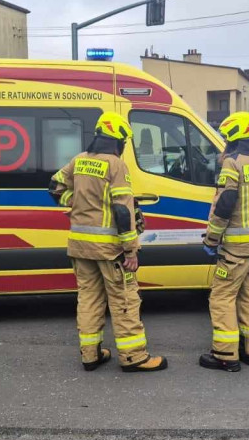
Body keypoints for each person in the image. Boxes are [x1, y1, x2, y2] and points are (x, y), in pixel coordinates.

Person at [49, 112, 168, 373]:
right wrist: (131, 251)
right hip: (109, 249)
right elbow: (122, 210)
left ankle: (90, 355)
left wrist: (75, 203)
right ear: (119, 141)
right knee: (124, 300)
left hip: (80, 246)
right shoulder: (115, 165)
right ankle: (134, 357)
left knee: (89, 299)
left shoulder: (79, 160)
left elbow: (54, 186)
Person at [199, 112, 249, 372]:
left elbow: (225, 203)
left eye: (226, 138)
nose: (225, 142)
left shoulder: (232, 163)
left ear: (234, 136)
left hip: (236, 249)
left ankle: (225, 355)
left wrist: (212, 238)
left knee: (221, 298)